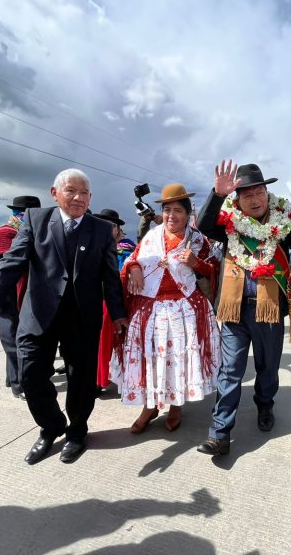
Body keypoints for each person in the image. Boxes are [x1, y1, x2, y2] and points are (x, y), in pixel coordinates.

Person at [0, 168, 127, 465]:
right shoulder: (36, 221)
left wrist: (118, 316)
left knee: (81, 381)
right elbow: (11, 264)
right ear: (54, 193)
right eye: (71, 190)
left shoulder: (101, 229)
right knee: (30, 376)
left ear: (90, 198)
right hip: (38, 315)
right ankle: (51, 426)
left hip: (82, 318)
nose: (78, 197)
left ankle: (77, 431)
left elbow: (110, 278)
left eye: (84, 193)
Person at [195, 160, 291, 456]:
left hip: (268, 311)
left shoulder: (283, 222)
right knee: (230, 371)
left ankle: (265, 405)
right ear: (238, 199)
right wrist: (217, 195)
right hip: (234, 310)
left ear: (267, 194)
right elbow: (203, 224)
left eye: (259, 193)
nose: (254, 200)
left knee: (267, 369)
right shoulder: (228, 224)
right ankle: (220, 432)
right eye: (246, 195)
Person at [110, 184, 221, 432]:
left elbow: (214, 269)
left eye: (178, 211)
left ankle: (176, 406)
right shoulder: (151, 236)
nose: (172, 215)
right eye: (167, 210)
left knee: (177, 359)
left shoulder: (198, 240)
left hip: (184, 310)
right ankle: (150, 407)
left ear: (188, 213)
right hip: (152, 310)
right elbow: (132, 260)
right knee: (153, 359)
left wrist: (197, 263)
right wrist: (135, 269)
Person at [0, 195, 41, 400]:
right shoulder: (7, 233)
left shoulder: (22, 230)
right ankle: (19, 384)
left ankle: (11, 377)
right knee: (12, 339)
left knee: (15, 336)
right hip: (6, 295)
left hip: (21, 292)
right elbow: (2, 267)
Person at [94, 209, 136, 394]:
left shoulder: (127, 248)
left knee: (111, 341)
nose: (107, 229)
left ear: (118, 229)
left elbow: (122, 276)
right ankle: (98, 379)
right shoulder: (96, 245)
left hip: (116, 299)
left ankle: (105, 381)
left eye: (111, 226)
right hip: (96, 298)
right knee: (97, 342)